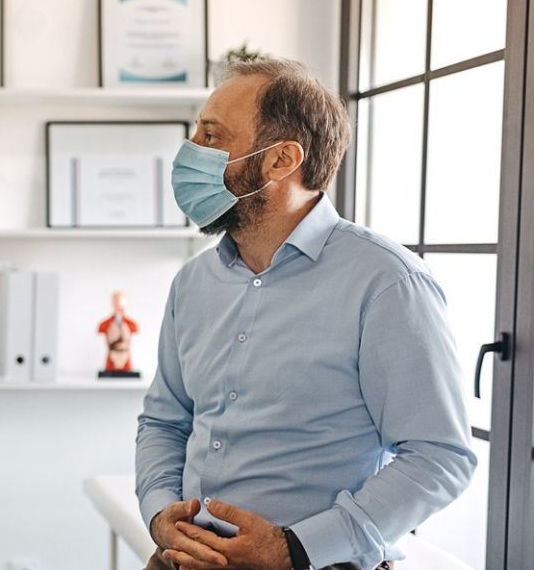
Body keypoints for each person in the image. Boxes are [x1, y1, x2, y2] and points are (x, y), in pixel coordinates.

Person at [136, 57, 475, 570]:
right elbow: (164, 421)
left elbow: (439, 457)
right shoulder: (193, 283)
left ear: (281, 161)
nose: (190, 152)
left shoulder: (387, 282)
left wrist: (293, 548)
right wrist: (162, 516)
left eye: (211, 135)